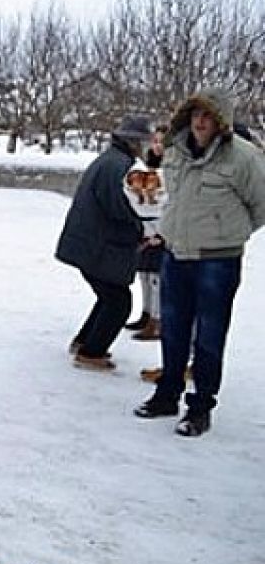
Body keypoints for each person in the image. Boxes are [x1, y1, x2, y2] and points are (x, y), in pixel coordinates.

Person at [134, 88, 265, 437]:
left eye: (207, 116)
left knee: (208, 337)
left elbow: (261, 205)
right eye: (195, 115)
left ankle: (201, 407)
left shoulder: (243, 158)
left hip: (217, 262)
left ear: (221, 122)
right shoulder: (176, 151)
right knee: (173, 330)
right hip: (176, 254)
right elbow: (170, 196)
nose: (200, 122)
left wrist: (230, 233)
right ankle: (167, 395)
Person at [55, 116, 152, 370]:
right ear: (134, 142)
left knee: (109, 296)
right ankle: (91, 351)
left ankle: (85, 341)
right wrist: (143, 223)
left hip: (89, 242)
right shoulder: (118, 166)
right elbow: (120, 207)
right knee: (119, 302)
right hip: (98, 244)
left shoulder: (112, 160)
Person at [126, 126, 166, 341]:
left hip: (162, 228)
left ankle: (157, 320)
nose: (157, 146)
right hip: (146, 226)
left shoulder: (170, 169)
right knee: (144, 272)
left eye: (162, 142)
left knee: (157, 277)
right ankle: (146, 312)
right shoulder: (145, 166)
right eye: (156, 141)